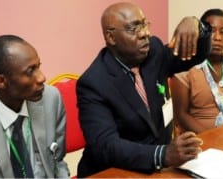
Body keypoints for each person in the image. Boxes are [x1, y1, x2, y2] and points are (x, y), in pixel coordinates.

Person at [76, 2, 212, 177]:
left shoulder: (153, 50)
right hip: (115, 171)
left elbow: (195, 55)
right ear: (111, 37)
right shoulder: (94, 83)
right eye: (133, 29)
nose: (145, 33)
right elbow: (106, 146)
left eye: (144, 24)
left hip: (160, 169)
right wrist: (162, 155)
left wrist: (196, 25)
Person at [0, 35, 70, 178]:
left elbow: (57, 161)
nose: (42, 77)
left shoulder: (50, 98)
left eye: (38, 67)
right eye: (30, 71)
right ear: (0, 81)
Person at [171, 8, 223, 134]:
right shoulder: (185, 67)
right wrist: (214, 137)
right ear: (201, 34)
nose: (218, 37)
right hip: (202, 140)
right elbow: (181, 115)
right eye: (212, 31)